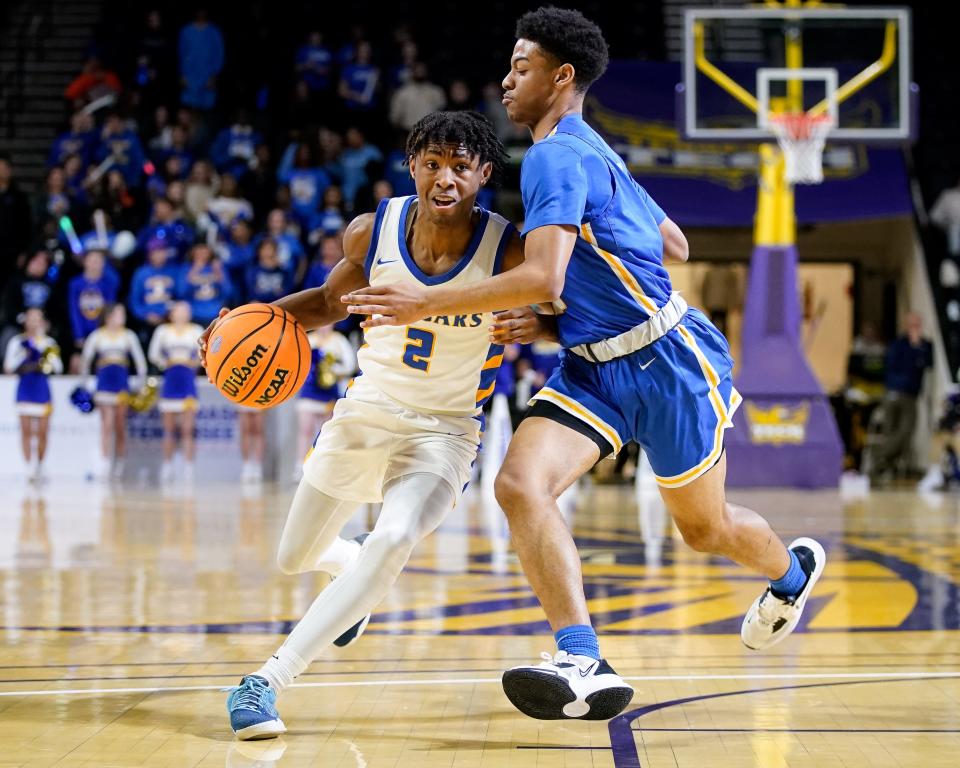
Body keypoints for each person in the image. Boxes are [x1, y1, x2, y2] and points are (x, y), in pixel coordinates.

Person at [342, 7, 827, 721]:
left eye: (522, 66)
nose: (506, 79)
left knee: (704, 530)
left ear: (561, 76)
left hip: (667, 365)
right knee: (519, 483)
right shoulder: (588, 148)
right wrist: (563, 315)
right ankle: (581, 656)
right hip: (593, 366)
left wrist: (424, 304)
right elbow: (674, 242)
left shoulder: (557, 156)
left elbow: (545, 275)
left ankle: (791, 574)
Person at [200, 111, 521, 739]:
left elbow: (570, 301)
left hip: (445, 432)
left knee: (393, 536)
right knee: (296, 557)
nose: (445, 178)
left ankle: (266, 680)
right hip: (365, 413)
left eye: (461, 165)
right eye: (433, 163)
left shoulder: (509, 249)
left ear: (484, 173)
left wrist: (541, 323)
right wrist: (247, 322)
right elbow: (324, 304)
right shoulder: (373, 233)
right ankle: (347, 575)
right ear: (413, 166)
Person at [80, 303, 147, 480]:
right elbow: (85, 361)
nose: (122, 317)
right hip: (104, 384)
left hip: (121, 384)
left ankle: (120, 465)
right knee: (106, 425)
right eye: (118, 314)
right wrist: (86, 384)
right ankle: (104, 464)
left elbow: (140, 362)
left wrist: (139, 384)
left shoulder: (128, 336)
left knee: (119, 426)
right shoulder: (97, 336)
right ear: (109, 316)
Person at [871, 312, 933, 482]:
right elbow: (892, 367)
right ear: (906, 325)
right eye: (912, 324)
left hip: (910, 396)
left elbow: (927, 364)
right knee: (890, 431)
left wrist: (917, 347)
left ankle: (876, 457)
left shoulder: (925, 345)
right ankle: (881, 470)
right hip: (893, 393)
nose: (915, 327)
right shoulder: (897, 344)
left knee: (906, 432)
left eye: (917, 324)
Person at [4, 308, 62, 482]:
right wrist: (25, 360)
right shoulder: (17, 342)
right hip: (25, 388)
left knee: (43, 431)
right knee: (26, 430)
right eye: (31, 319)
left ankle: (40, 465)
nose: (35, 323)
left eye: (38, 319)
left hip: (42, 389)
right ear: (25, 322)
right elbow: (8, 367)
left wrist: (43, 358)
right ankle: (28, 467)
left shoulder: (48, 343)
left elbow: (58, 367)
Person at [292, 325, 356, 482]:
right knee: (305, 430)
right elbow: (296, 361)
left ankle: (324, 467)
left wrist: (331, 367)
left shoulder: (339, 340)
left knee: (327, 433)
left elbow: (350, 365)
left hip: (329, 393)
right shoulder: (308, 339)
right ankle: (300, 467)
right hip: (308, 392)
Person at [148, 302, 203, 484]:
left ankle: (189, 467)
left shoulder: (196, 330)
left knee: (188, 429)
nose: (183, 313)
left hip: (188, 380)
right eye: (179, 310)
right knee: (169, 429)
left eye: (186, 310)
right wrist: (166, 363)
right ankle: (168, 465)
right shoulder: (163, 331)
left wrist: (194, 364)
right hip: (171, 379)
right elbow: (153, 354)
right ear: (172, 313)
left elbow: (205, 352)